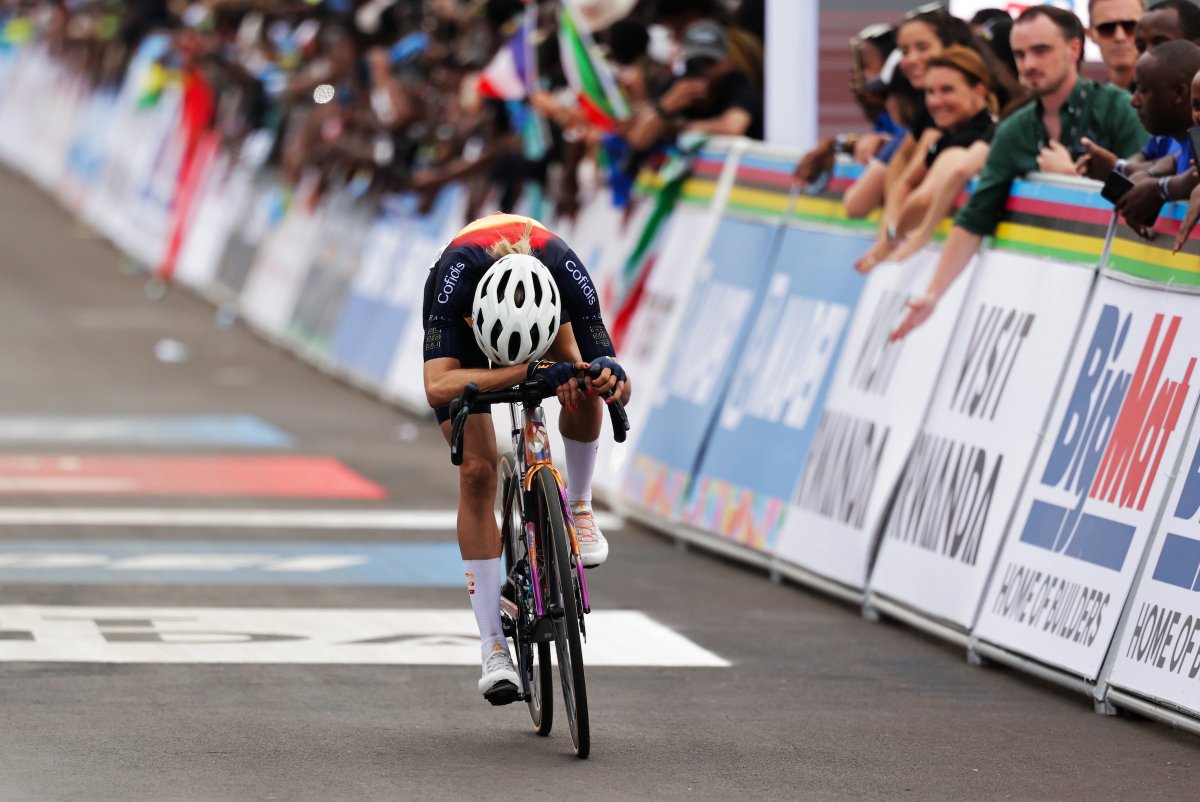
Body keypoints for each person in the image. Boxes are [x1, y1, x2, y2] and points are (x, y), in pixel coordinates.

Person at [422, 213, 631, 704]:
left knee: (582, 379)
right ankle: (493, 646)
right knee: (477, 472)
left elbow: (618, 382)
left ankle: (579, 505)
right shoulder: (455, 279)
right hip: (469, 332)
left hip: (548, 315)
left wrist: (607, 377)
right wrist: (526, 371)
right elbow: (437, 384)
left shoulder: (564, 269)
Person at [890, 5, 1148, 341]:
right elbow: (976, 217)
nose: (1029, 64)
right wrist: (933, 295)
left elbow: (1146, 197)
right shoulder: (1014, 129)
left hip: (1125, 301)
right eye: (1020, 54)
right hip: (1050, 302)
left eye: (1041, 51)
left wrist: (1076, 182)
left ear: (1074, 49)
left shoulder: (1119, 108)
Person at [856, 46, 997, 270]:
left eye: (947, 90)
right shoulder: (945, 136)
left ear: (979, 91)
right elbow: (905, 183)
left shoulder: (973, 139)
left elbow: (924, 200)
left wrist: (893, 238)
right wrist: (887, 238)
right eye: (930, 92)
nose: (936, 101)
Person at [1078, 0, 1200, 180]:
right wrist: (1118, 167)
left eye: (1161, 44)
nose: (1147, 55)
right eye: (1141, 47)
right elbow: (1154, 161)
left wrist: (1158, 187)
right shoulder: (1167, 119)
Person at [626, 19, 762, 148]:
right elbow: (638, 139)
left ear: (727, 62)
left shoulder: (736, 82)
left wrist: (681, 128)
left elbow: (732, 128)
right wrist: (667, 106)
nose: (703, 70)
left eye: (709, 62)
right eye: (694, 61)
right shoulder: (678, 83)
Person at [1109, 41, 1200, 230]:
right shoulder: (1189, 140)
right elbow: (1176, 159)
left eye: (1143, 90)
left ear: (1179, 93)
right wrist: (1147, 175)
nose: (1134, 101)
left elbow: (1195, 175)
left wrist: (1159, 189)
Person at [1088, 0, 1144, 90]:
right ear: (1091, 34)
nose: (1120, 37)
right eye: (1107, 28)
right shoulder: (1090, 97)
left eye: (1130, 26)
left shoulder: (1166, 93)